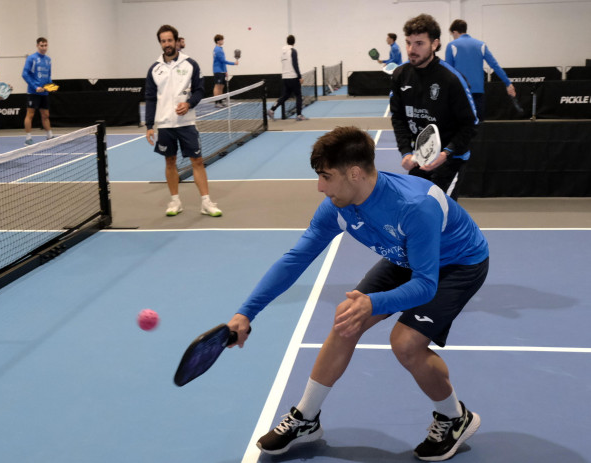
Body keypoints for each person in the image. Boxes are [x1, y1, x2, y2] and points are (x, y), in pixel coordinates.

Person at [227, 126, 489, 461]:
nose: (320, 187)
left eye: (325, 176)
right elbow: (295, 259)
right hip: (404, 254)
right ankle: (306, 418)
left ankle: (455, 417)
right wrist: (246, 312)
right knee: (345, 320)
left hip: (457, 264)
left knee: (406, 343)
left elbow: (426, 284)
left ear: (354, 173)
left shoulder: (416, 205)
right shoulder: (337, 206)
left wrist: (373, 302)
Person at [390, 14, 478, 200]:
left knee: (439, 212)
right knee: (416, 209)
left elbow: (470, 124)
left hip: (451, 159)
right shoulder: (400, 75)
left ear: (435, 44)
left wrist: (446, 154)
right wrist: (406, 151)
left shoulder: (452, 79)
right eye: (408, 43)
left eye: (419, 43)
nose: (411, 49)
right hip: (420, 158)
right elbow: (398, 117)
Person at [145, 25, 222, 217]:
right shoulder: (154, 69)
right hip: (164, 125)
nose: (167, 44)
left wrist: (188, 104)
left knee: (197, 160)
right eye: (163, 41)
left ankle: (206, 202)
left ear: (177, 41)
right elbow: (150, 98)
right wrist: (149, 126)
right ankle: (175, 201)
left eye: (170, 40)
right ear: (160, 43)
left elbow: (199, 90)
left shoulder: (190, 64)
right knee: (169, 161)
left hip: (186, 123)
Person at [445, 19, 516, 121]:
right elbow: (494, 65)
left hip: (460, 93)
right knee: (477, 127)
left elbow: (448, 71)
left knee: (460, 127)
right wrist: (508, 83)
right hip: (478, 93)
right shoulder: (481, 45)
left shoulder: (452, 45)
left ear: (455, 32)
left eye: (452, 34)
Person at [267, 35, 308, 121]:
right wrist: (299, 77)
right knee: (298, 95)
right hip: (293, 77)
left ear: (287, 41)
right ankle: (299, 115)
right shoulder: (293, 51)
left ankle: (271, 110)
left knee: (285, 96)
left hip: (285, 77)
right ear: (294, 42)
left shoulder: (283, 51)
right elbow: (295, 64)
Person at [22, 37, 54, 145]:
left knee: (45, 115)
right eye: (42, 45)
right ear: (37, 46)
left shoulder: (48, 60)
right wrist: (35, 87)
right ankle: (28, 138)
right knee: (30, 115)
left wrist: (50, 86)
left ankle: (49, 136)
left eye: (45, 45)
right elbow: (25, 74)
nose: (44, 48)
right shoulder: (31, 58)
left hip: (44, 93)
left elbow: (48, 76)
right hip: (33, 92)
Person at [212, 34, 238, 106]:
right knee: (217, 86)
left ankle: (220, 101)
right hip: (218, 70)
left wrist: (225, 71)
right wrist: (234, 63)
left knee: (221, 86)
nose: (223, 41)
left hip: (222, 70)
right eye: (221, 40)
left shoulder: (220, 49)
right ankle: (217, 102)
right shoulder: (217, 50)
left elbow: (223, 63)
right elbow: (223, 61)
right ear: (218, 41)